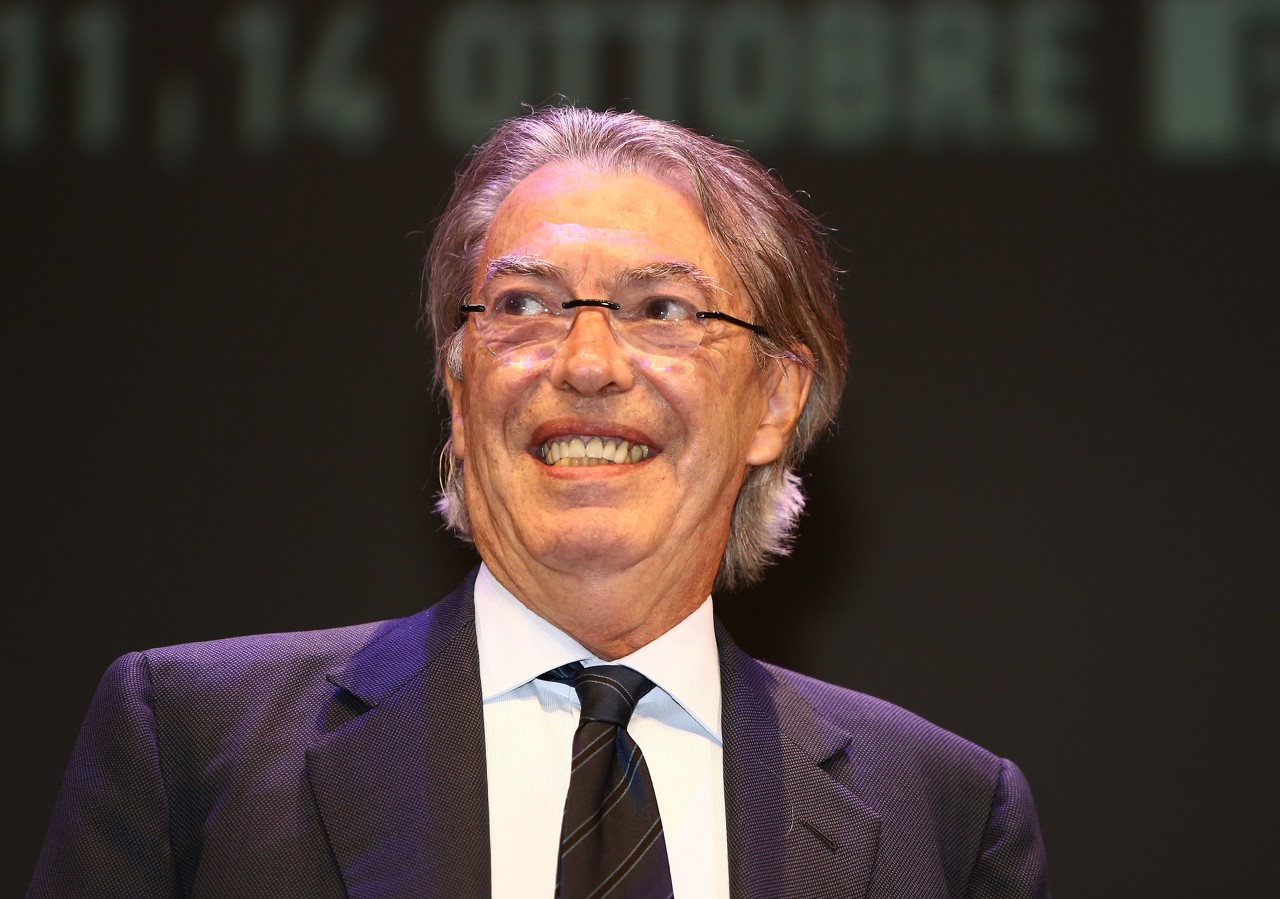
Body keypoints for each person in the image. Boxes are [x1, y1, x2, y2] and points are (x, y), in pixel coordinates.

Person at [30, 107, 1049, 898]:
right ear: (459, 381)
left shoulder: (946, 818)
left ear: (774, 400)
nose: (588, 361)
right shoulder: (192, 744)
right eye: (524, 305)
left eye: (661, 308)